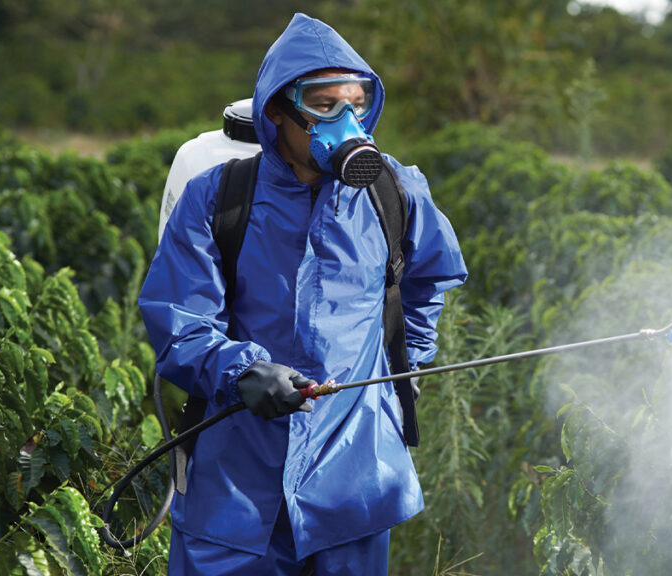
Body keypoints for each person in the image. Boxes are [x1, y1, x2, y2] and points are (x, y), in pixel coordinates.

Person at [138, 13, 467, 575]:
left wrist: (399, 372)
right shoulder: (217, 198)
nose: (346, 120)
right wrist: (241, 373)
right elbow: (179, 322)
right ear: (276, 112)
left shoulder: (395, 191)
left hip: (354, 480)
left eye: (356, 103)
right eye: (323, 104)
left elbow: (429, 278)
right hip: (236, 480)